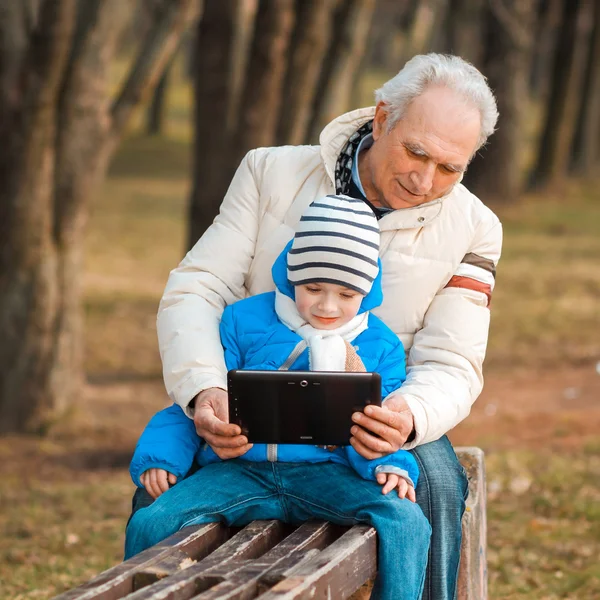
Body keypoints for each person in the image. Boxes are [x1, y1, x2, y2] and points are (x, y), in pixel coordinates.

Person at [144, 53, 501, 600]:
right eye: (416, 151)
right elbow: (198, 287)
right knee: (158, 487)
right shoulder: (270, 173)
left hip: (377, 411)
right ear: (382, 120)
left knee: (437, 481)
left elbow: (452, 360)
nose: (424, 179)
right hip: (252, 399)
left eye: (450, 168)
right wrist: (203, 388)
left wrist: (406, 416)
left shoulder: (475, 228)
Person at [126, 196, 432, 600]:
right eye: (313, 287)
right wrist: (162, 455)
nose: (327, 306)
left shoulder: (382, 345)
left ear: (368, 288)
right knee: (150, 523)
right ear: (291, 277)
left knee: (407, 522)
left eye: (346, 293)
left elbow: (379, 424)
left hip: (329, 473)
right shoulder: (242, 320)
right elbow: (201, 399)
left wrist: (391, 463)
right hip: (238, 471)